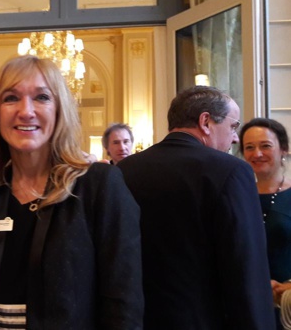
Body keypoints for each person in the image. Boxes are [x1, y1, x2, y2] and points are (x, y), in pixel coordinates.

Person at [0, 55, 143, 329]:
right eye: (11, 98)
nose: (26, 111)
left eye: (42, 97)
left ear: (60, 110)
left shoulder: (98, 186)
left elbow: (123, 299)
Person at [117, 85, 275, 329]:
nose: (235, 138)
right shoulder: (231, 171)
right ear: (205, 122)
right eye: (233, 126)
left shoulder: (124, 171)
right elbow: (246, 271)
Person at [239, 117, 291, 329]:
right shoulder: (237, 196)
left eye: (266, 146)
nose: (257, 154)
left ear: (284, 150)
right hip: (247, 305)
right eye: (249, 147)